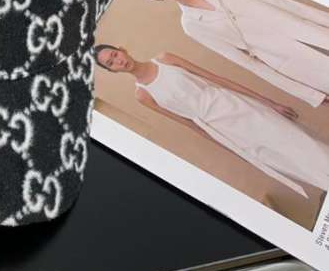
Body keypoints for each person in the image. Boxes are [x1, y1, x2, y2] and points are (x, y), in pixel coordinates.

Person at [94, 45, 329, 198]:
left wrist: (269, 102)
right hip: (221, 129)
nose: (118, 61)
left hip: (235, 105)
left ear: (122, 50)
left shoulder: (165, 58)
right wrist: (232, 149)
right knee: (282, 160)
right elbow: (189, 124)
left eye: (114, 55)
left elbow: (217, 79)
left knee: (297, 140)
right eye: (110, 64)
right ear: (112, 71)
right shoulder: (142, 95)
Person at [130, 0, 329, 108]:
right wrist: (310, 95)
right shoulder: (191, 25)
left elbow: (274, 0)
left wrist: (324, 19)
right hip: (291, 61)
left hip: (307, 31)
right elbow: (245, 62)